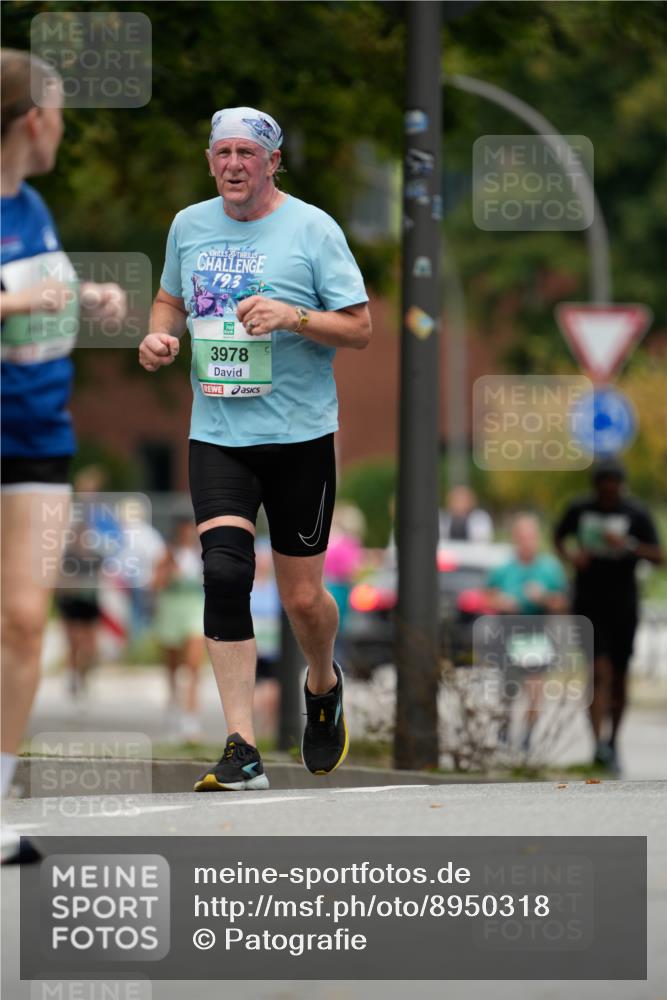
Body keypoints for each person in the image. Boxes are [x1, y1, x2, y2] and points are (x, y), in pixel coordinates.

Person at [138, 106, 371, 791]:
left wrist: (292, 316)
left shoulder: (312, 228)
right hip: (219, 434)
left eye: (248, 153)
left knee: (302, 599)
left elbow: (359, 328)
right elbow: (168, 300)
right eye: (223, 153)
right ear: (210, 161)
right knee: (223, 571)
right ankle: (240, 745)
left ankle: (322, 683)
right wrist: (159, 335)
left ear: (273, 162)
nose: (234, 164)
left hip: (300, 437)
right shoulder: (189, 225)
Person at [1, 50, 126, 859]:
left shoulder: (33, 206)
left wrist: (86, 296)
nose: (64, 131)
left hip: (40, 438)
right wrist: (21, 300)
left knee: (23, 621)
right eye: (61, 116)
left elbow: (38, 300)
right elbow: (18, 301)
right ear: (34, 119)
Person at [554, 459, 663, 771]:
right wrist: (572, 557)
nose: (608, 492)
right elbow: (558, 537)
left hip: (623, 603)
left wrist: (627, 544)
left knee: (619, 675)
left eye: (613, 487)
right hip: (588, 602)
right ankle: (598, 744)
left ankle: (614, 740)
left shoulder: (635, 513)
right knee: (599, 670)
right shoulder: (579, 509)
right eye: (603, 487)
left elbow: (659, 556)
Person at [486, 513, 568, 750]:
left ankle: (527, 735)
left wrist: (544, 598)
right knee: (509, 685)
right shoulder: (503, 569)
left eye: (531, 537)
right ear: (515, 539)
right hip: (508, 632)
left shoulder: (550, 568)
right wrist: (501, 601)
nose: (527, 542)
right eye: (522, 537)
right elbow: (487, 595)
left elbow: (563, 603)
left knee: (535, 686)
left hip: (537, 634)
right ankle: (503, 728)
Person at [153, 518, 206, 742]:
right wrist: (168, 571)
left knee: (193, 665)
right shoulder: (168, 553)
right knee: (172, 665)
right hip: (172, 609)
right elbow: (155, 584)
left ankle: (191, 716)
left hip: (195, 608)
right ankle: (173, 707)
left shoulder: (202, 554)